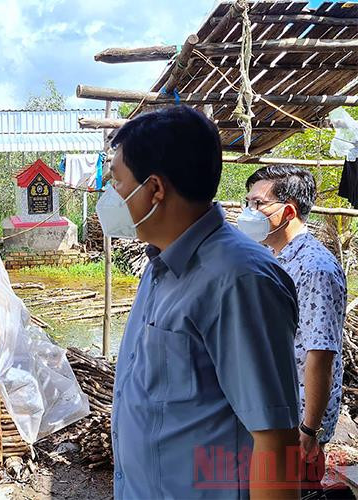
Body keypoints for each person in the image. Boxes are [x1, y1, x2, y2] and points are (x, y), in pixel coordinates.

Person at [99, 105, 301, 499]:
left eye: (116, 182)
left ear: (154, 189)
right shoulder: (160, 264)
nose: (111, 195)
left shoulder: (239, 280)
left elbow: (276, 441)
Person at [240, 166, 347, 495]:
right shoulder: (275, 257)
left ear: (288, 211)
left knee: (294, 490)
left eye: (258, 204)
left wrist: (309, 429)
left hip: (296, 419)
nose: (250, 212)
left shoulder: (315, 267)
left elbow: (320, 353)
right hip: (273, 410)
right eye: (248, 202)